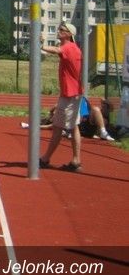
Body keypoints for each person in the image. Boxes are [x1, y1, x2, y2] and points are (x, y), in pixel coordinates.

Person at [39, 22, 84, 172]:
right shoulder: (73, 48)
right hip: (72, 93)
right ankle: (75, 160)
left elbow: (55, 50)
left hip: (70, 94)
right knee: (72, 126)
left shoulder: (69, 47)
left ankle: (46, 159)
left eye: (62, 30)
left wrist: (42, 43)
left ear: (69, 34)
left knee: (60, 126)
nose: (59, 31)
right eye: (59, 29)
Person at [21, 98, 115, 141]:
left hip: (84, 122)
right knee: (94, 109)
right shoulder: (58, 121)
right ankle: (103, 132)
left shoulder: (85, 105)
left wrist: (53, 111)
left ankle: (103, 132)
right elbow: (51, 125)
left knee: (94, 109)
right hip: (79, 127)